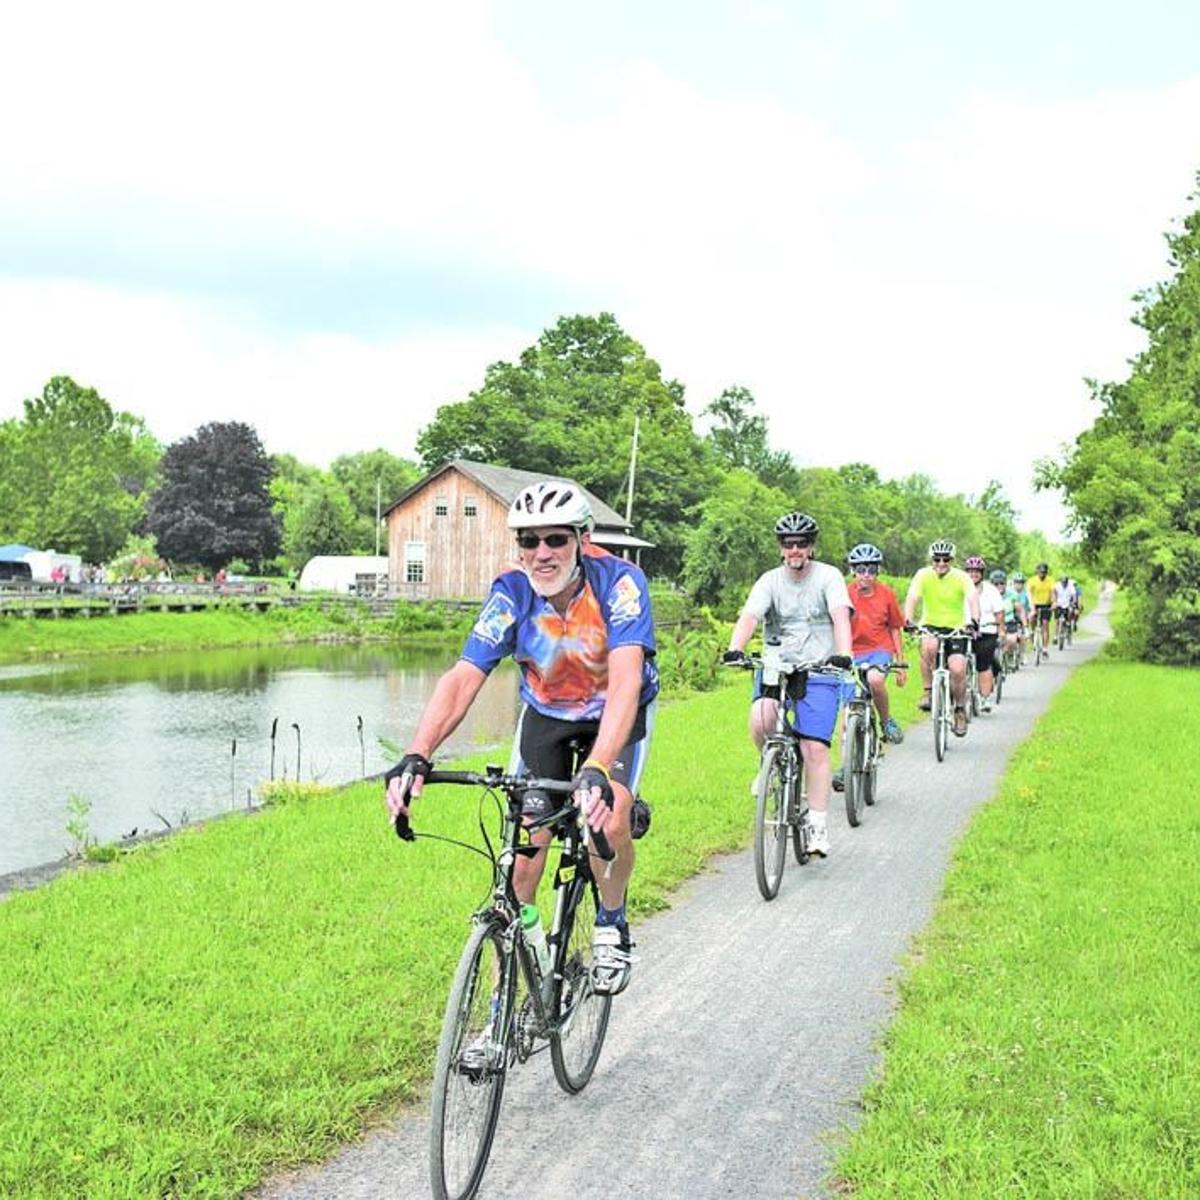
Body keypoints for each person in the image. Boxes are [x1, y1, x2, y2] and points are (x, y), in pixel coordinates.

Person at [384, 480, 659, 996]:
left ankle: (611, 920)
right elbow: (465, 675)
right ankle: (501, 1009)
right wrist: (417, 754)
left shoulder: (619, 584)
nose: (541, 554)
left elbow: (625, 679)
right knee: (524, 856)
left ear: (583, 537)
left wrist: (598, 770)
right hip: (547, 712)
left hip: (614, 713)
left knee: (610, 814)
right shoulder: (511, 591)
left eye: (555, 539)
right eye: (528, 542)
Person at [723, 512, 852, 858]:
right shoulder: (769, 580)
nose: (795, 549)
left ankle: (818, 824)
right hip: (777, 667)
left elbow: (841, 616)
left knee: (815, 749)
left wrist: (844, 653)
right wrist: (735, 647)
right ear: (781, 548)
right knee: (762, 719)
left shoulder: (829, 577)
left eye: (802, 543)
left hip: (819, 668)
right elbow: (749, 616)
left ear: (811, 547)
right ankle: (770, 764)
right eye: (788, 544)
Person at [831, 543, 906, 792]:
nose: (866, 575)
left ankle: (885, 722)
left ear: (877, 571)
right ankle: (846, 764)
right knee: (847, 716)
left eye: (871, 569)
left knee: (875, 680)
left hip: (879, 649)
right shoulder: (843, 593)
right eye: (861, 569)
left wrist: (901, 661)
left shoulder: (886, 593)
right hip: (850, 652)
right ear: (852, 570)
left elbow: (895, 626)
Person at [904, 540, 981, 738]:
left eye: (945, 559)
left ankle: (960, 710)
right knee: (928, 648)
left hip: (956, 627)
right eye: (937, 559)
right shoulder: (923, 575)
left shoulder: (962, 577)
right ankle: (928, 692)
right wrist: (908, 619)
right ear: (931, 559)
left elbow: (973, 598)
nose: (941, 563)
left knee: (957, 668)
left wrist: (973, 621)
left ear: (952, 560)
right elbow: (913, 597)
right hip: (931, 623)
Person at [964, 556, 1004, 712]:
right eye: (970, 571)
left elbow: (999, 613)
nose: (973, 574)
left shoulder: (991, 591)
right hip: (964, 630)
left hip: (986, 631)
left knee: (983, 664)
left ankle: (985, 698)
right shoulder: (960, 588)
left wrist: (1000, 630)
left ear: (982, 573)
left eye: (977, 572)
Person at [994, 568, 1026, 667]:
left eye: (1002, 583)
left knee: (1012, 640)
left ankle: (1008, 654)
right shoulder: (989, 595)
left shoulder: (1012, 595)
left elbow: (1020, 610)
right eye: (996, 584)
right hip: (993, 623)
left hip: (1009, 621)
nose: (999, 586)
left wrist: (1025, 625)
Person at [1027, 563, 1055, 655]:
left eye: (1044, 572)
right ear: (1037, 572)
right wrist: (1032, 607)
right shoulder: (1032, 581)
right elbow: (1029, 594)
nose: (1042, 574)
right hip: (1034, 604)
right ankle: (1032, 630)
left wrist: (1054, 602)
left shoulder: (1050, 581)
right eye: (1040, 572)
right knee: (1032, 618)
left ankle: (1045, 648)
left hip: (1046, 605)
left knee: (1045, 625)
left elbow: (1053, 593)